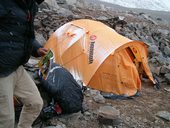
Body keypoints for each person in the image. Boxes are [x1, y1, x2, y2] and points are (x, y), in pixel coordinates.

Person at [0, 0, 47, 128]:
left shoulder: (29, 6)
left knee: (35, 103)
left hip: (17, 67)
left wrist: (37, 48)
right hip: (2, 71)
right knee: (6, 121)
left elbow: (27, 36)